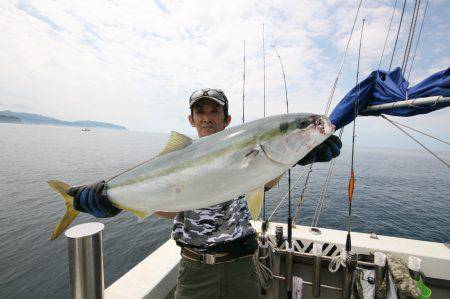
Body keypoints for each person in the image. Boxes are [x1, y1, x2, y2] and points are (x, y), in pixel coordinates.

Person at [67, 88, 342, 298]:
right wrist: (114, 200)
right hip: (194, 270)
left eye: (214, 112)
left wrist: (302, 153)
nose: (207, 118)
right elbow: (168, 209)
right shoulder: (177, 160)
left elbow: (267, 178)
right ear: (192, 119)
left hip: (241, 267)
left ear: (227, 119)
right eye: (201, 113)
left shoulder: (253, 157)